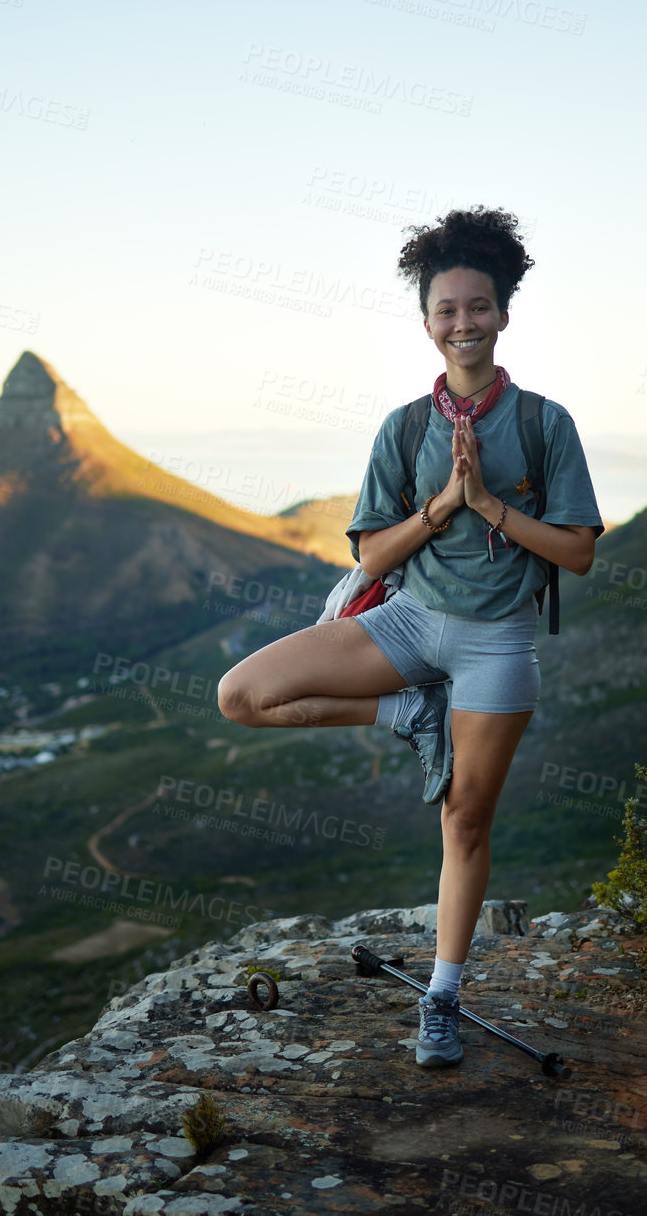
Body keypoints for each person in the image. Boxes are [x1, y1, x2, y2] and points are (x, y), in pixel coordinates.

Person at [216, 206, 605, 1068]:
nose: (461, 322)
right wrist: (440, 508)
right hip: (405, 622)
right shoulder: (402, 428)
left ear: (502, 313)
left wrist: (490, 504)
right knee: (240, 694)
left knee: (463, 823)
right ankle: (409, 715)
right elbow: (369, 550)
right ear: (426, 322)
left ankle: (441, 996)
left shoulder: (544, 423)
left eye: (477, 306)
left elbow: (575, 553)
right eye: (445, 310)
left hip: (495, 641)